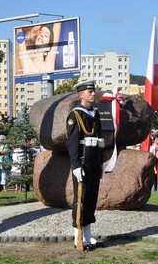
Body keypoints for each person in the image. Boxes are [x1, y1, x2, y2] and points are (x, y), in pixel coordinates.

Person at [66, 80, 104, 251]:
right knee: (80, 200)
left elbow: (100, 142)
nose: (93, 93)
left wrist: (100, 163)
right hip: (82, 161)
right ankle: (78, 236)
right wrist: (75, 165)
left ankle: (88, 235)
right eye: (89, 91)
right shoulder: (76, 115)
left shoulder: (95, 114)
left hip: (94, 162)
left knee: (91, 199)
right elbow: (72, 143)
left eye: (94, 91)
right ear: (81, 95)